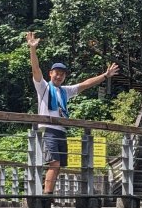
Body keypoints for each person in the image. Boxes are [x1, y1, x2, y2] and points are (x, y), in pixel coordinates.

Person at [26, 32, 119, 198]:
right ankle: (46, 197)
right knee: (53, 163)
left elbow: (84, 84)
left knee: (58, 165)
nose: (59, 76)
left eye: (62, 74)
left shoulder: (64, 91)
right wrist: (33, 49)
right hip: (48, 130)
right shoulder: (44, 87)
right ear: (50, 73)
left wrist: (105, 76)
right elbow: (35, 69)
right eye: (57, 73)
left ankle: (48, 194)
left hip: (61, 131)